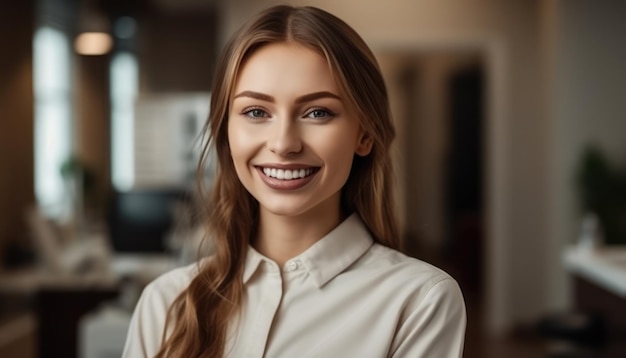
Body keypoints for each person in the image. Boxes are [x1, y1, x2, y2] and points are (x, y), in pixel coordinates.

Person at [123, 5, 466, 358]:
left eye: (318, 112)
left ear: (364, 134)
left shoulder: (419, 301)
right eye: (256, 112)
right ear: (227, 132)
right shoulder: (165, 303)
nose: (284, 143)